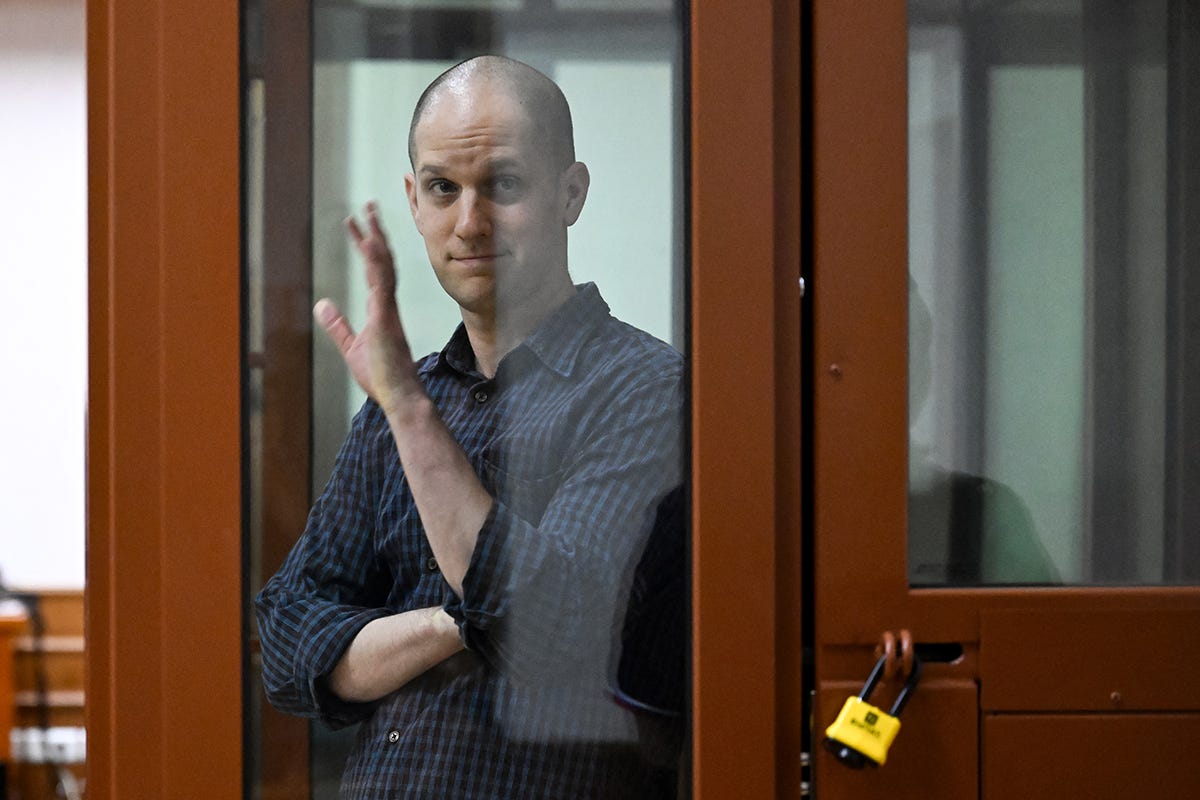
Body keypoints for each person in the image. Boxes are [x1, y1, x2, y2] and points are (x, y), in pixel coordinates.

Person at [255, 55, 685, 799]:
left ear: (571, 193)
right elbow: (288, 643)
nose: (470, 222)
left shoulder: (648, 390)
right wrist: (458, 622)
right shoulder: (400, 398)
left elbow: (553, 628)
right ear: (413, 201)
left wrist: (411, 414)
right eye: (443, 188)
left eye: (505, 185)